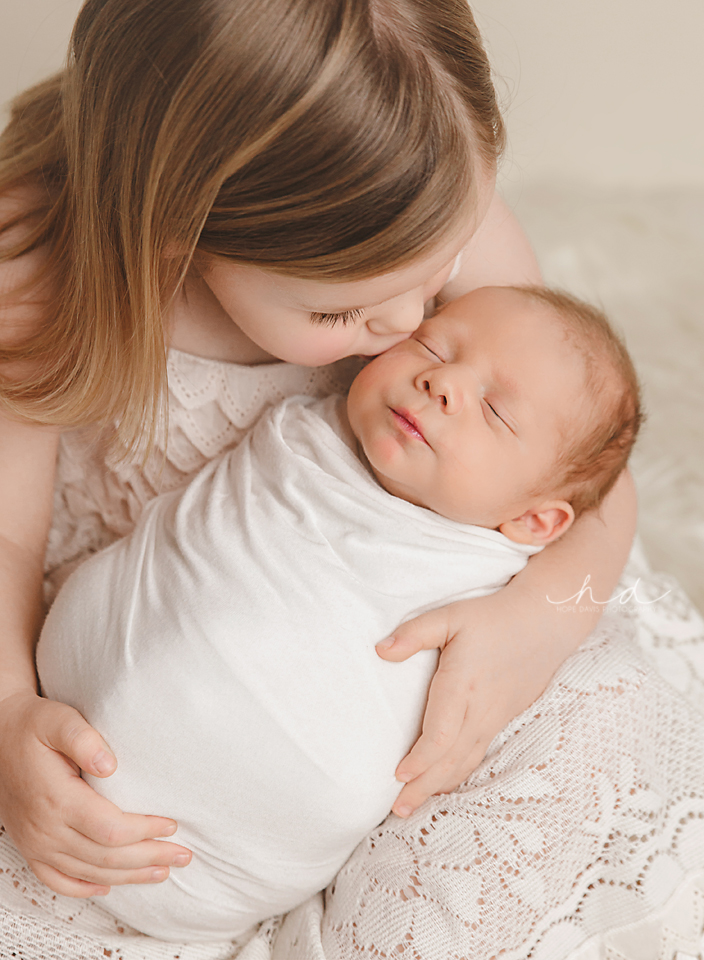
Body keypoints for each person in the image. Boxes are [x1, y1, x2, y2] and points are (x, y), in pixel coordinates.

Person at [0, 0, 638, 940]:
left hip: (406, 605)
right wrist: (11, 711)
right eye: (346, 315)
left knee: (584, 782)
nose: (409, 324)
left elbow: (590, 479)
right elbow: (7, 534)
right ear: (184, 240)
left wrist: (537, 625)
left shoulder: (433, 211)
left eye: (433, 281)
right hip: (159, 645)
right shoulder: (39, 281)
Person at [36, 285, 642, 942]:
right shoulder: (307, 433)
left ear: (531, 520)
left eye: (495, 411)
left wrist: (538, 617)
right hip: (51, 714)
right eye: (431, 345)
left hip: (217, 862)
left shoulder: (489, 569)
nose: (441, 382)